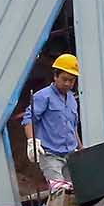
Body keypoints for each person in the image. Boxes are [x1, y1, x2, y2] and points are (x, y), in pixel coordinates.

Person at [22, 53, 81, 183]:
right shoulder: (43, 97)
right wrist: (31, 142)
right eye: (64, 79)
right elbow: (28, 120)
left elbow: (73, 127)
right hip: (50, 155)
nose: (67, 83)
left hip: (70, 154)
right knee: (60, 190)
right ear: (55, 76)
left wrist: (81, 150)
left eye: (71, 80)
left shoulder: (72, 99)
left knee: (75, 191)